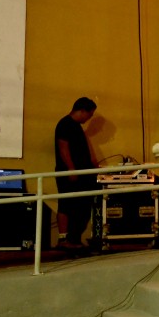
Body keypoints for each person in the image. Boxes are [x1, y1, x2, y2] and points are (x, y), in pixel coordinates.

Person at [54, 96, 98, 250]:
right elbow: (63, 147)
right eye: (90, 115)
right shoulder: (65, 124)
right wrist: (71, 168)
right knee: (66, 205)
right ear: (82, 111)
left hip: (82, 174)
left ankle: (74, 238)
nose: (89, 118)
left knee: (81, 206)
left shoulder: (76, 127)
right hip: (70, 173)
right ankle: (63, 239)